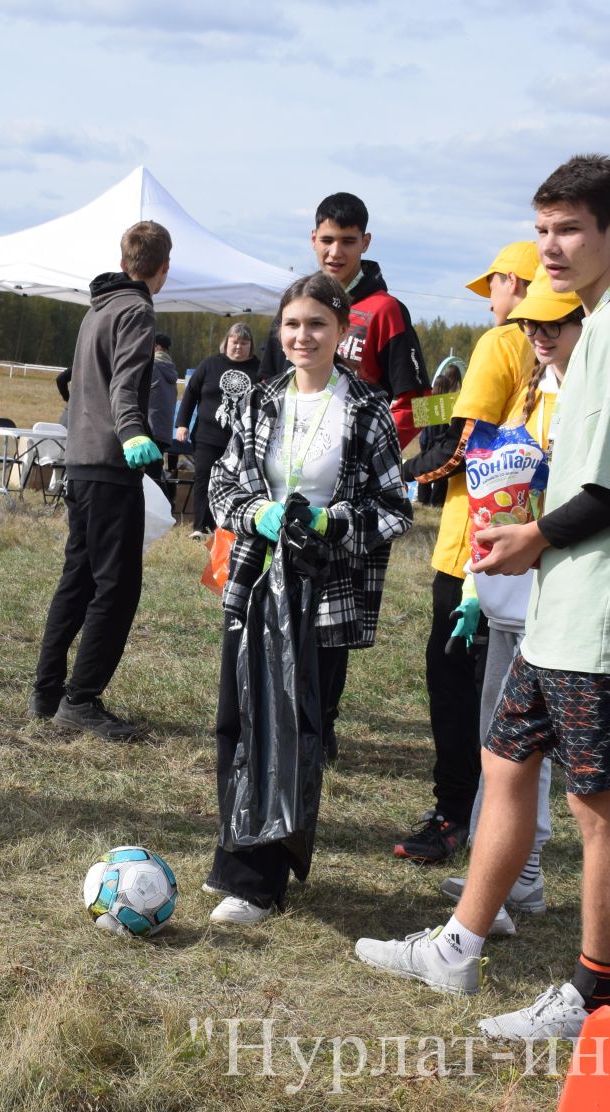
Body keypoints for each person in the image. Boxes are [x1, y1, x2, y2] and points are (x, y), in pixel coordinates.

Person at [357, 154, 610, 1042]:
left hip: (607, 614)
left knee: (600, 801)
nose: (551, 246)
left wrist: (533, 538)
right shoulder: (598, 323)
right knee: (506, 765)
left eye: (571, 230)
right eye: (543, 229)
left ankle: (592, 999)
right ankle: (459, 947)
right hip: (563, 609)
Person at [203, 272, 412, 923]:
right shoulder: (260, 401)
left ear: (342, 332)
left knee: (293, 733)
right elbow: (220, 486)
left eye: (317, 324)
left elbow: (394, 509)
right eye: (292, 324)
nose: (303, 336)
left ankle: (261, 883)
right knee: (238, 724)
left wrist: (335, 524)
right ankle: (236, 855)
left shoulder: (367, 410)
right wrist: (255, 513)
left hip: (323, 594)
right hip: (256, 584)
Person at [436, 270, 584, 938]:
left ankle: (513, 877)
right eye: (532, 325)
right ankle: (511, 877)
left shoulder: (584, 398)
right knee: (508, 741)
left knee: (523, 746)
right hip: (511, 594)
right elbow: (506, 497)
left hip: (555, 595)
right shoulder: (535, 392)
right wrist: (475, 585)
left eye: (555, 324)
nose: (540, 337)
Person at [391, 240, 538, 862]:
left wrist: (397, 475)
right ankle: (501, 826)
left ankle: (457, 816)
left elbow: (462, 443)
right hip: (532, 543)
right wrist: (413, 403)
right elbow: (457, 408)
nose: (489, 303)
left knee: (458, 688)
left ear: (512, 281)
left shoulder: (502, 342)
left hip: (470, 549)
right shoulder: (563, 346)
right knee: (506, 693)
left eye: (493, 289)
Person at [30, 220, 172, 741]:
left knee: (79, 577)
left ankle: (47, 690)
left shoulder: (98, 308)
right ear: (164, 268)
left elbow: (72, 380)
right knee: (117, 586)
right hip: (113, 461)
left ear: (123, 257)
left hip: (80, 457)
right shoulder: (136, 309)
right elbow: (128, 382)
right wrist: (134, 431)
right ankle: (81, 699)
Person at [258, 193, 432, 449]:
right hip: (288, 462)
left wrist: (369, 455)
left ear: (365, 242)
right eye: (327, 240)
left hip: (354, 473)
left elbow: (423, 405)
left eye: (348, 241)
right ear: (313, 239)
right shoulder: (294, 307)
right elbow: (267, 384)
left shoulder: (387, 310)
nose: (335, 252)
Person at [177, 323, 259, 536]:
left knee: (235, 482)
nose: (239, 347)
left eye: (244, 342)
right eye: (235, 342)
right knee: (204, 478)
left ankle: (227, 528)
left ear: (251, 346)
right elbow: (190, 394)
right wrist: (182, 424)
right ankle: (201, 528)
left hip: (242, 440)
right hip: (207, 436)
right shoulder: (210, 364)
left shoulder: (259, 370)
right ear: (226, 343)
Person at [148, 333, 180, 458]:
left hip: (149, 430)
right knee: (155, 472)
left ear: (158, 347)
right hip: (164, 432)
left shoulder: (152, 367)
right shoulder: (170, 369)